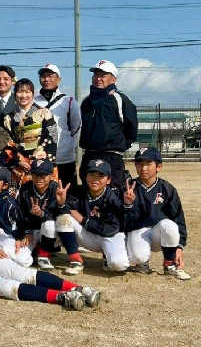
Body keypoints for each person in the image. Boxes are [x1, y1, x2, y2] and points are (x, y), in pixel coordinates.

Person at [53, 159, 130, 275]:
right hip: (89, 236)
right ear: (86, 177)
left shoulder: (114, 197)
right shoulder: (78, 192)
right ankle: (75, 260)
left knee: (119, 265)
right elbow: (65, 212)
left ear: (108, 180)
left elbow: (111, 229)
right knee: (63, 218)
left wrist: (84, 220)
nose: (95, 179)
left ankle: (108, 255)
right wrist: (62, 203)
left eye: (100, 176)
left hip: (110, 236)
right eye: (92, 175)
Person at [123, 147, 190, 280]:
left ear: (158, 167)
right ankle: (142, 264)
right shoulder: (129, 187)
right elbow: (123, 221)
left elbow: (178, 218)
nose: (143, 168)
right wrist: (128, 204)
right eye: (139, 164)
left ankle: (169, 263)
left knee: (169, 226)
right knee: (138, 257)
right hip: (138, 231)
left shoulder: (167, 188)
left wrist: (179, 246)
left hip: (159, 234)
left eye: (148, 163)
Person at [79, 60, 138, 194]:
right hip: (89, 155)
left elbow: (132, 128)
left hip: (111, 157)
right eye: (96, 75)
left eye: (103, 75)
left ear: (113, 78)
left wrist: (117, 145)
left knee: (113, 194)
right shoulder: (87, 101)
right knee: (88, 193)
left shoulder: (121, 99)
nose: (98, 78)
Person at [36, 63, 81, 196]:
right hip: (41, 159)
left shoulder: (69, 101)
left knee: (68, 195)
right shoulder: (33, 100)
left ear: (59, 79)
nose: (46, 79)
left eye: (50, 76)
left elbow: (76, 127)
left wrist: (67, 144)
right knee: (44, 194)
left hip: (64, 159)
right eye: (43, 76)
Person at [2, 79, 58, 181]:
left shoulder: (44, 113)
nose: (23, 96)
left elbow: (52, 136)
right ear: (15, 94)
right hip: (19, 166)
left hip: (42, 163)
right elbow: (7, 142)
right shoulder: (9, 118)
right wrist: (18, 161)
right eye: (20, 92)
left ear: (33, 94)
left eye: (27, 92)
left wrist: (39, 155)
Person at [16, 159, 64, 271]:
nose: (39, 178)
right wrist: (26, 232)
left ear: (51, 176)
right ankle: (36, 250)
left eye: (43, 175)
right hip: (31, 231)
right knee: (21, 261)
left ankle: (44, 255)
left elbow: (58, 214)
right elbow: (20, 214)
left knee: (49, 225)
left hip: (51, 232)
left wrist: (42, 213)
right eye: (35, 174)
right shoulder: (25, 189)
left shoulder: (55, 188)